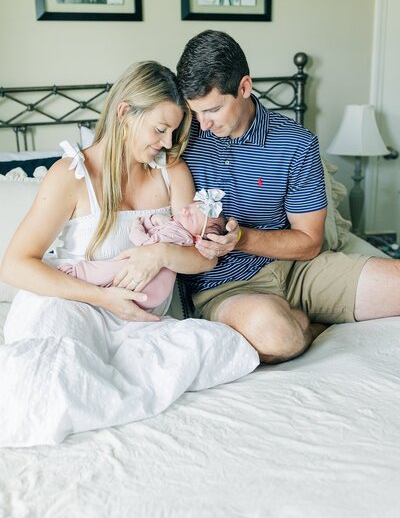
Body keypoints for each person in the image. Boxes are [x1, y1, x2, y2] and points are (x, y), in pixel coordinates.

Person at [0, 61, 259, 446]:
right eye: (160, 129)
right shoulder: (71, 175)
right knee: (51, 375)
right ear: (124, 112)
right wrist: (104, 297)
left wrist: (160, 253)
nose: (168, 142)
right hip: (72, 304)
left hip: (138, 321)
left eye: (174, 132)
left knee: (225, 347)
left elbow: (204, 257)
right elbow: (14, 266)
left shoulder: (171, 172)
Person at [176, 29, 400, 365]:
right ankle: (306, 323)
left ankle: (298, 315)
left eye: (214, 110)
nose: (203, 124)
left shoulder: (297, 143)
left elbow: (309, 242)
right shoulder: (181, 138)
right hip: (227, 287)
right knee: (277, 336)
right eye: (196, 112)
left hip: (299, 270)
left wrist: (239, 238)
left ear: (244, 87)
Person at [58, 193, 227, 314]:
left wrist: (136, 226)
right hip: (152, 294)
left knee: (113, 266)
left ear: (199, 236)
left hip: (149, 285)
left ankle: (78, 273)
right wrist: (155, 219)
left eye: (190, 217)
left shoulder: (178, 235)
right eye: (189, 208)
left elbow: (146, 245)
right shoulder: (178, 228)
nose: (184, 211)